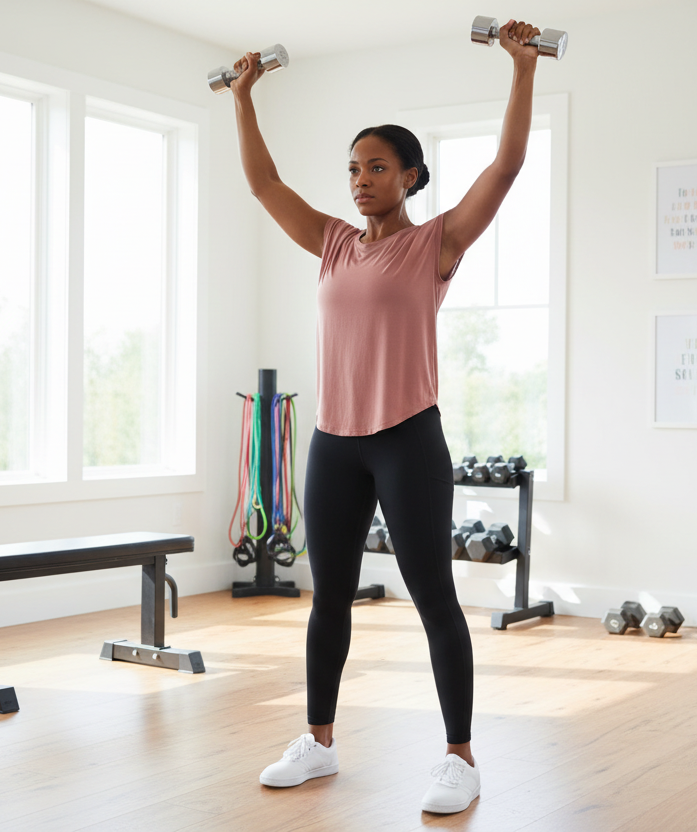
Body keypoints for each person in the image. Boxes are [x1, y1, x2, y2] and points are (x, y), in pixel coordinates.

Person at [228, 19, 542, 815]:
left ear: (409, 177)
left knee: (432, 594)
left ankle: (459, 757)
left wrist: (523, 67)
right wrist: (243, 98)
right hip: (335, 440)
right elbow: (265, 187)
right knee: (328, 593)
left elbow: (505, 168)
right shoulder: (334, 243)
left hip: (407, 437)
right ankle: (320, 743)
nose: (360, 180)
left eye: (376, 168)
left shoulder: (436, 245)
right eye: (353, 169)